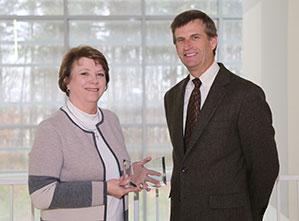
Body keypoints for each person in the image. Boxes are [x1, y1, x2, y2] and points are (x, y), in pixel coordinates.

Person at [164, 9, 279, 221]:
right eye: (180, 40)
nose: (187, 45)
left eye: (195, 37)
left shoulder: (245, 94)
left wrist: (249, 215)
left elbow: (265, 166)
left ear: (213, 41)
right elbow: (185, 162)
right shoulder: (172, 97)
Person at [28, 45, 159, 221]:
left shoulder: (111, 120)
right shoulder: (51, 129)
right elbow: (41, 195)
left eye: (100, 74)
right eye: (84, 74)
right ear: (67, 81)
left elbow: (108, 169)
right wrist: (104, 190)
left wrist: (131, 173)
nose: (94, 80)